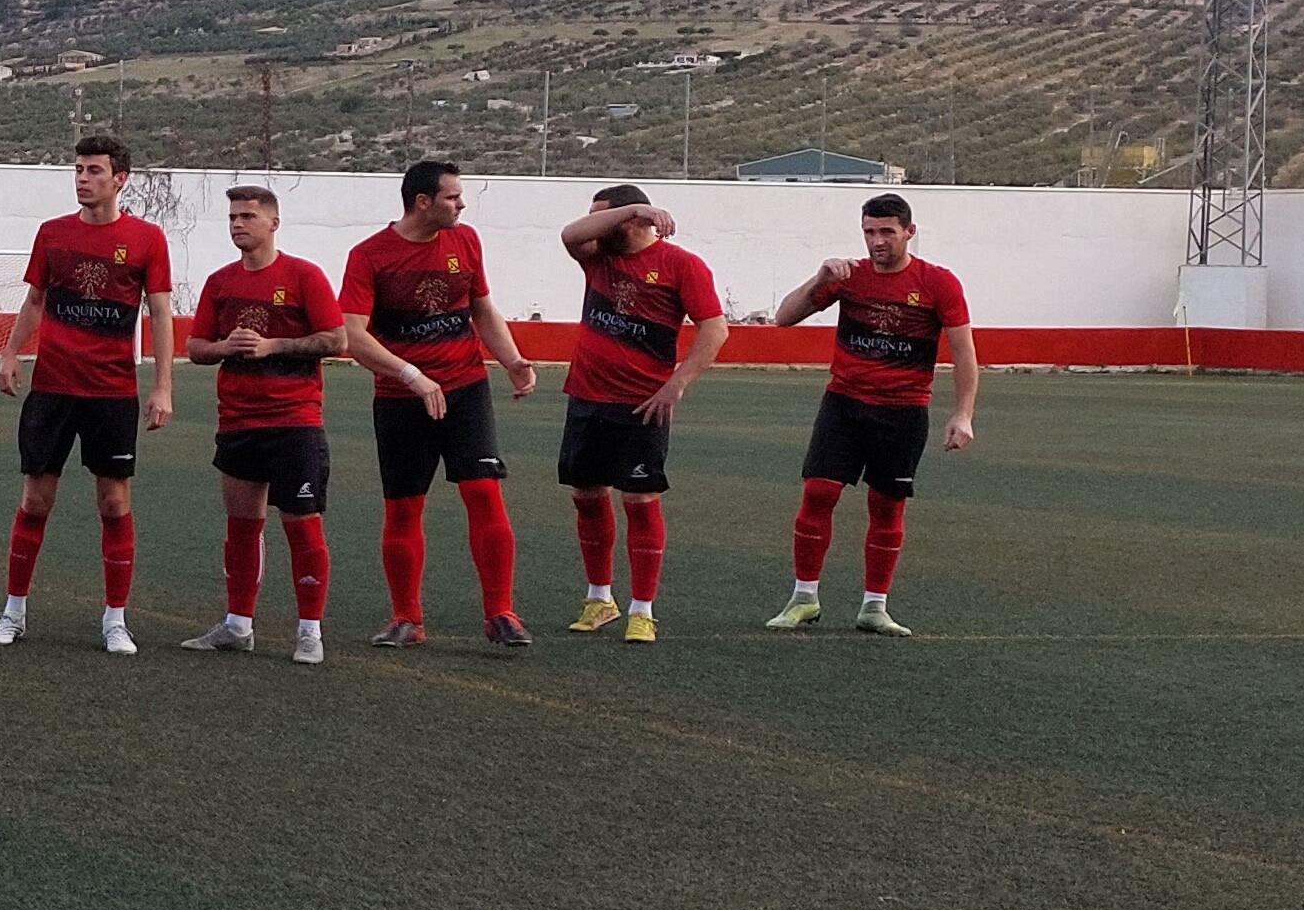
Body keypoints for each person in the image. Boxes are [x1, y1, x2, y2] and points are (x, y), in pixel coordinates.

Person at [179, 184, 429, 665]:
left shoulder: (302, 275)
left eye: (248, 216)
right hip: (237, 421)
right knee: (241, 527)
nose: (237, 224)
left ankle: (309, 631)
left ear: (273, 223)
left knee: (302, 526)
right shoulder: (220, 282)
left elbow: (336, 339)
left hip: (294, 421)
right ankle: (237, 625)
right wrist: (225, 348)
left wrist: (273, 346)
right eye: (232, 217)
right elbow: (195, 349)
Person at [0, 136, 176, 656]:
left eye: (93, 170)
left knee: (114, 503)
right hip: (51, 388)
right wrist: (9, 354)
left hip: (112, 392)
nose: (82, 178)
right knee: (35, 500)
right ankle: (14, 611)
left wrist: (162, 385)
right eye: (77, 169)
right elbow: (34, 300)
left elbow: (159, 314)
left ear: (120, 178)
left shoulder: (146, 239)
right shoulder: (52, 234)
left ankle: (115, 619)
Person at [339, 158, 538, 651]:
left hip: (466, 389)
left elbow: (482, 308)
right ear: (422, 202)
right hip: (401, 398)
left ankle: (501, 614)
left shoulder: (466, 241)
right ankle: (406, 618)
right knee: (404, 508)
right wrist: (412, 375)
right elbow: (353, 336)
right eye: (452, 197)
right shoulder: (370, 255)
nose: (461, 204)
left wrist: (510, 359)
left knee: (484, 493)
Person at [764, 192, 978, 636]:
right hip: (844, 403)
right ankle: (804, 597)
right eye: (868, 232)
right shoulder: (849, 277)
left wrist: (963, 414)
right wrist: (818, 278)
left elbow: (963, 352)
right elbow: (783, 318)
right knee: (818, 493)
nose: (876, 241)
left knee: (887, 505)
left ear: (909, 233)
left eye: (886, 232)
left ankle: (874, 607)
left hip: (903, 411)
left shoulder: (938, 283)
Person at [554, 183, 728, 643]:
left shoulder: (682, 265)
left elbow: (714, 328)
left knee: (640, 500)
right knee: (586, 496)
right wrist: (631, 208)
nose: (597, 226)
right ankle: (599, 599)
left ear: (632, 224)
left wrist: (678, 383)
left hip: (641, 404)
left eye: (605, 217)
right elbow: (570, 235)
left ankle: (642, 609)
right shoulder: (596, 255)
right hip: (587, 396)